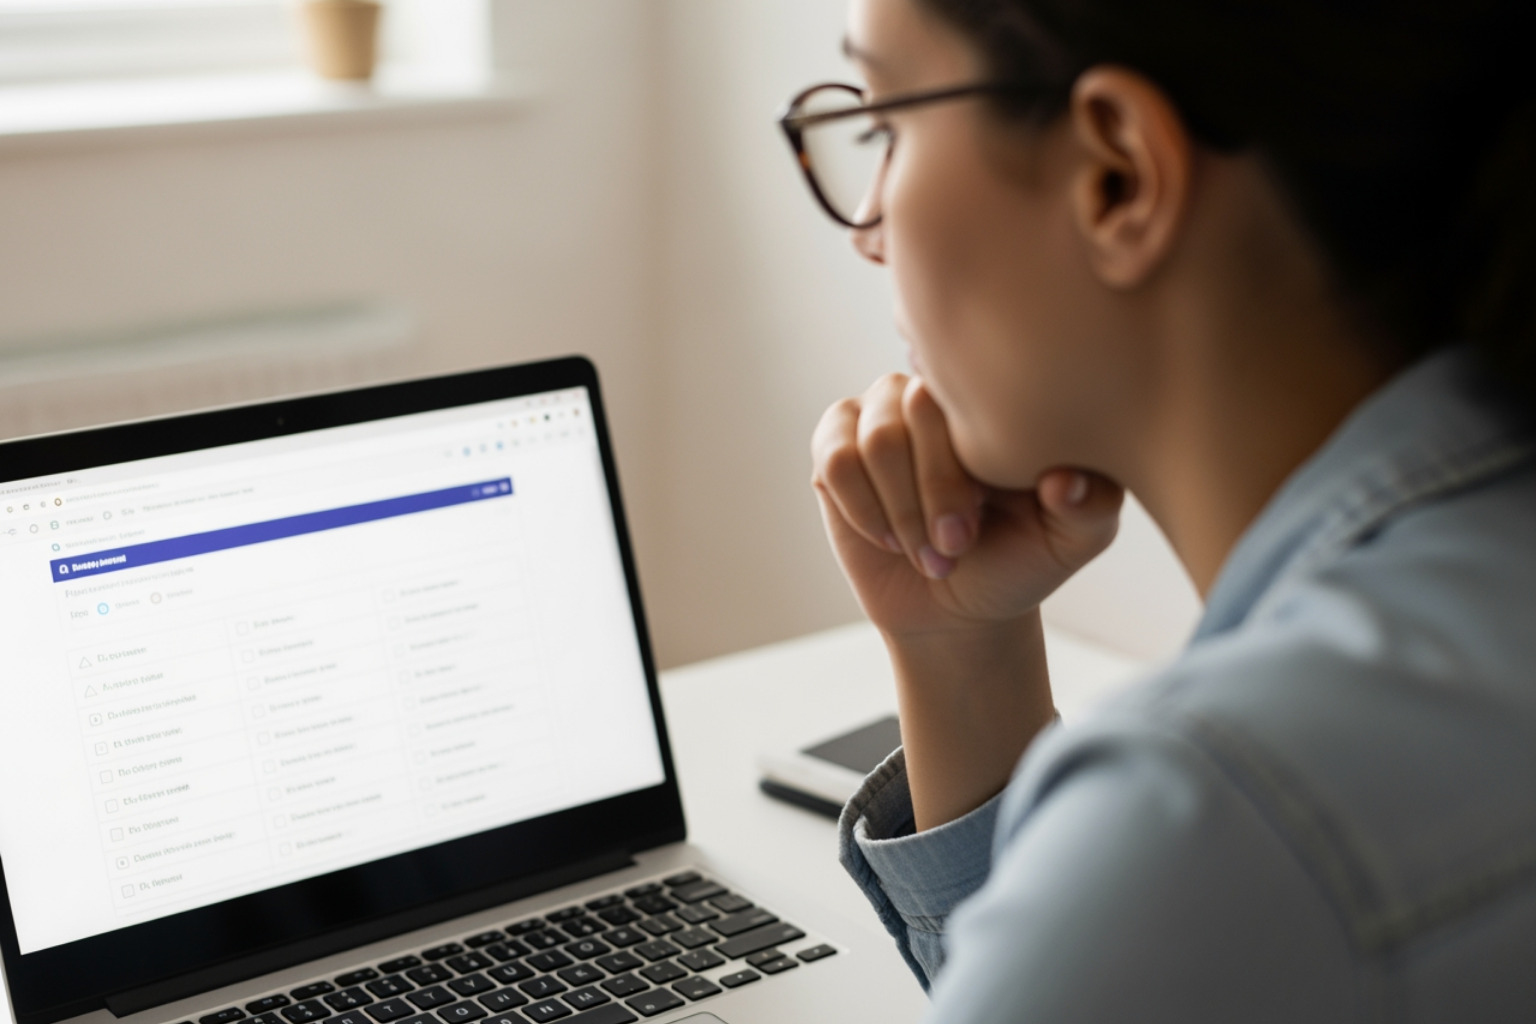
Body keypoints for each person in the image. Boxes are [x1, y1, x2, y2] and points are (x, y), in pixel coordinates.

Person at [783, 0, 1536, 1019]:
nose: (868, 230)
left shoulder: (1215, 820)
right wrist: (962, 653)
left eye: (885, 125)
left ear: (1119, 177)